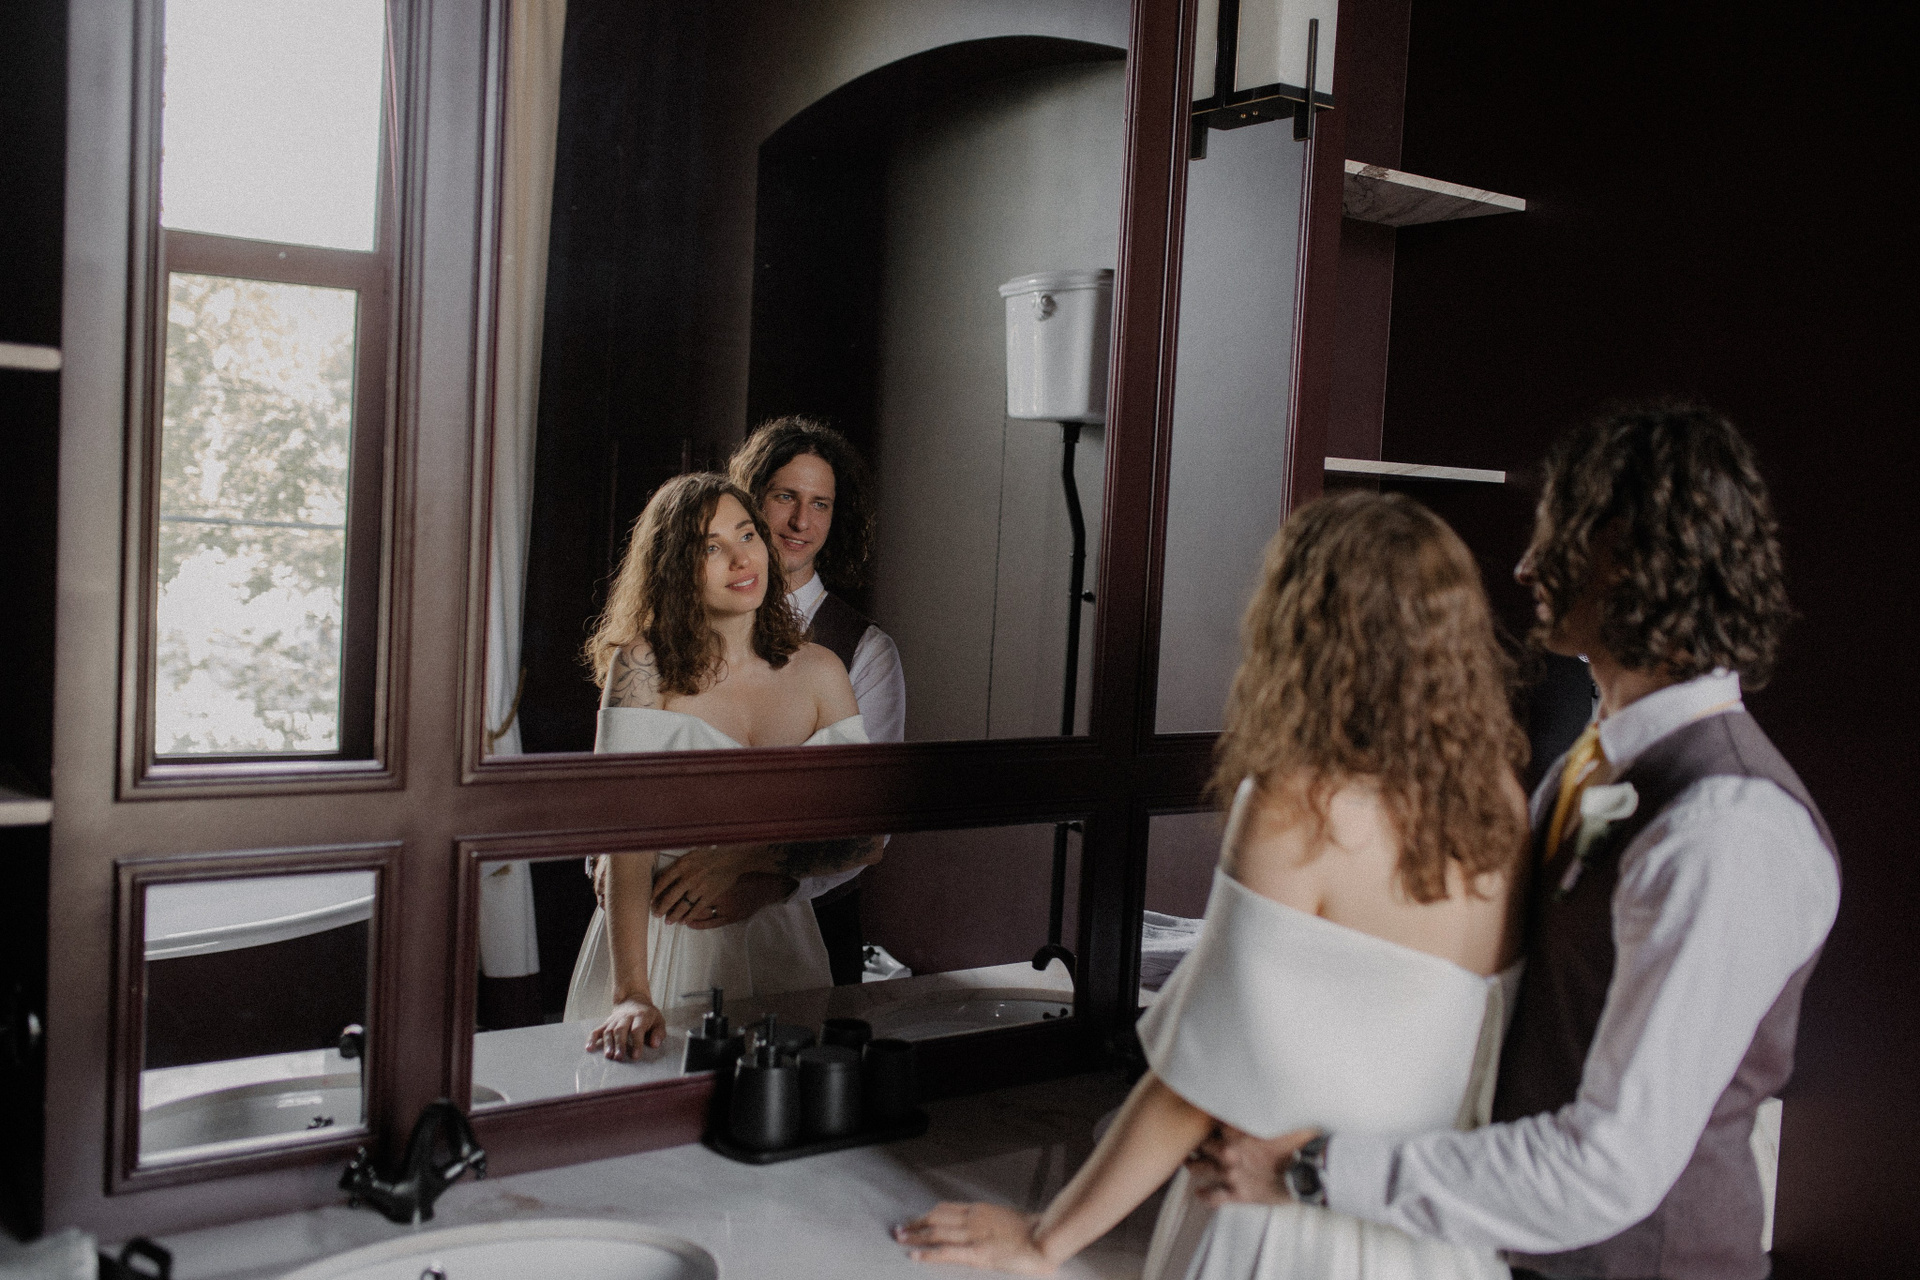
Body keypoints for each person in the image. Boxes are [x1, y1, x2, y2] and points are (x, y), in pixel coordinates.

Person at [1188, 404, 1838, 1280]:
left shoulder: (1729, 830)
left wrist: (1314, 1170)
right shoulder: (1591, 761)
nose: (1527, 565)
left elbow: (1609, 1165)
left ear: (1626, 553)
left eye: (1557, 534)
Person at [895, 491, 1531, 1279]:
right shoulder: (1501, 802)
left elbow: (1193, 1084)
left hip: (1285, 1230)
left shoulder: (1300, 806)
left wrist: (1043, 1239)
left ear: (1303, 627)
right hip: (1431, 1236)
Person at [562, 473, 881, 1058]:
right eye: (711, 547)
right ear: (673, 567)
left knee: (785, 1095)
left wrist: (749, 863)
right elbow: (622, 839)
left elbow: (865, 838)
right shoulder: (642, 667)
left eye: (747, 535)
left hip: (782, 935)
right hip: (661, 937)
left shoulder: (821, 671)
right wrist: (631, 994)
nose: (741, 559)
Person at [710, 415, 906, 984]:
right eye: (785, 497)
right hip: (681, 912)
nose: (801, 521)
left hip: (811, 925)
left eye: (820, 504)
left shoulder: (865, 651)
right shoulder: (693, 626)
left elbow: (869, 823)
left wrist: (766, 885)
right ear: (750, 502)